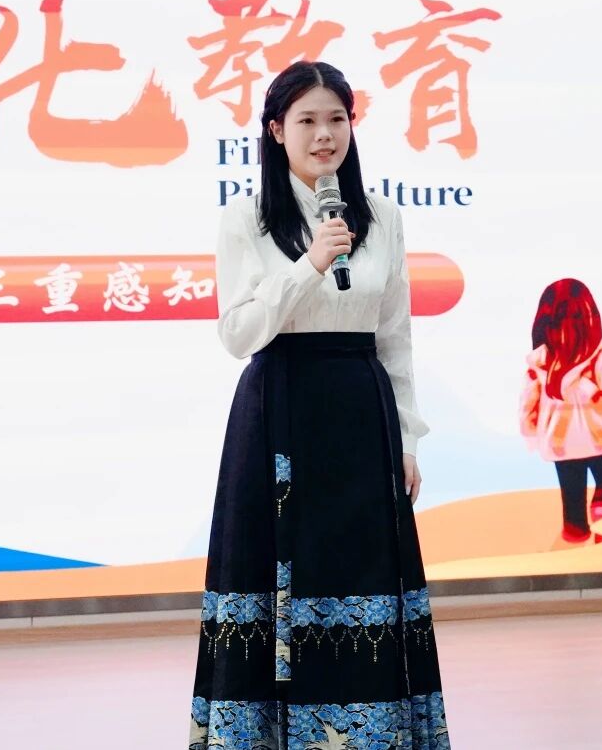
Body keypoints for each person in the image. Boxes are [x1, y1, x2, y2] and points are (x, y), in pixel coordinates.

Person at [188, 61, 449, 750]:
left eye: (337, 119)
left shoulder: (382, 216)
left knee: (361, 577)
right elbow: (238, 332)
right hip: (279, 412)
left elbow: (395, 336)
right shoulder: (247, 219)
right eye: (307, 120)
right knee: (276, 579)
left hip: (362, 414)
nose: (324, 134)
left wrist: (408, 439)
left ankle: (369, 735)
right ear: (277, 131)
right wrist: (308, 265)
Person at [520, 279, 602, 548]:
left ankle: (575, 530)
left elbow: (528, 401)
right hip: (601, 438)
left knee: (571, 492)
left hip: (560, 443)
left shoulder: (541, 360)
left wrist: (530, 433)